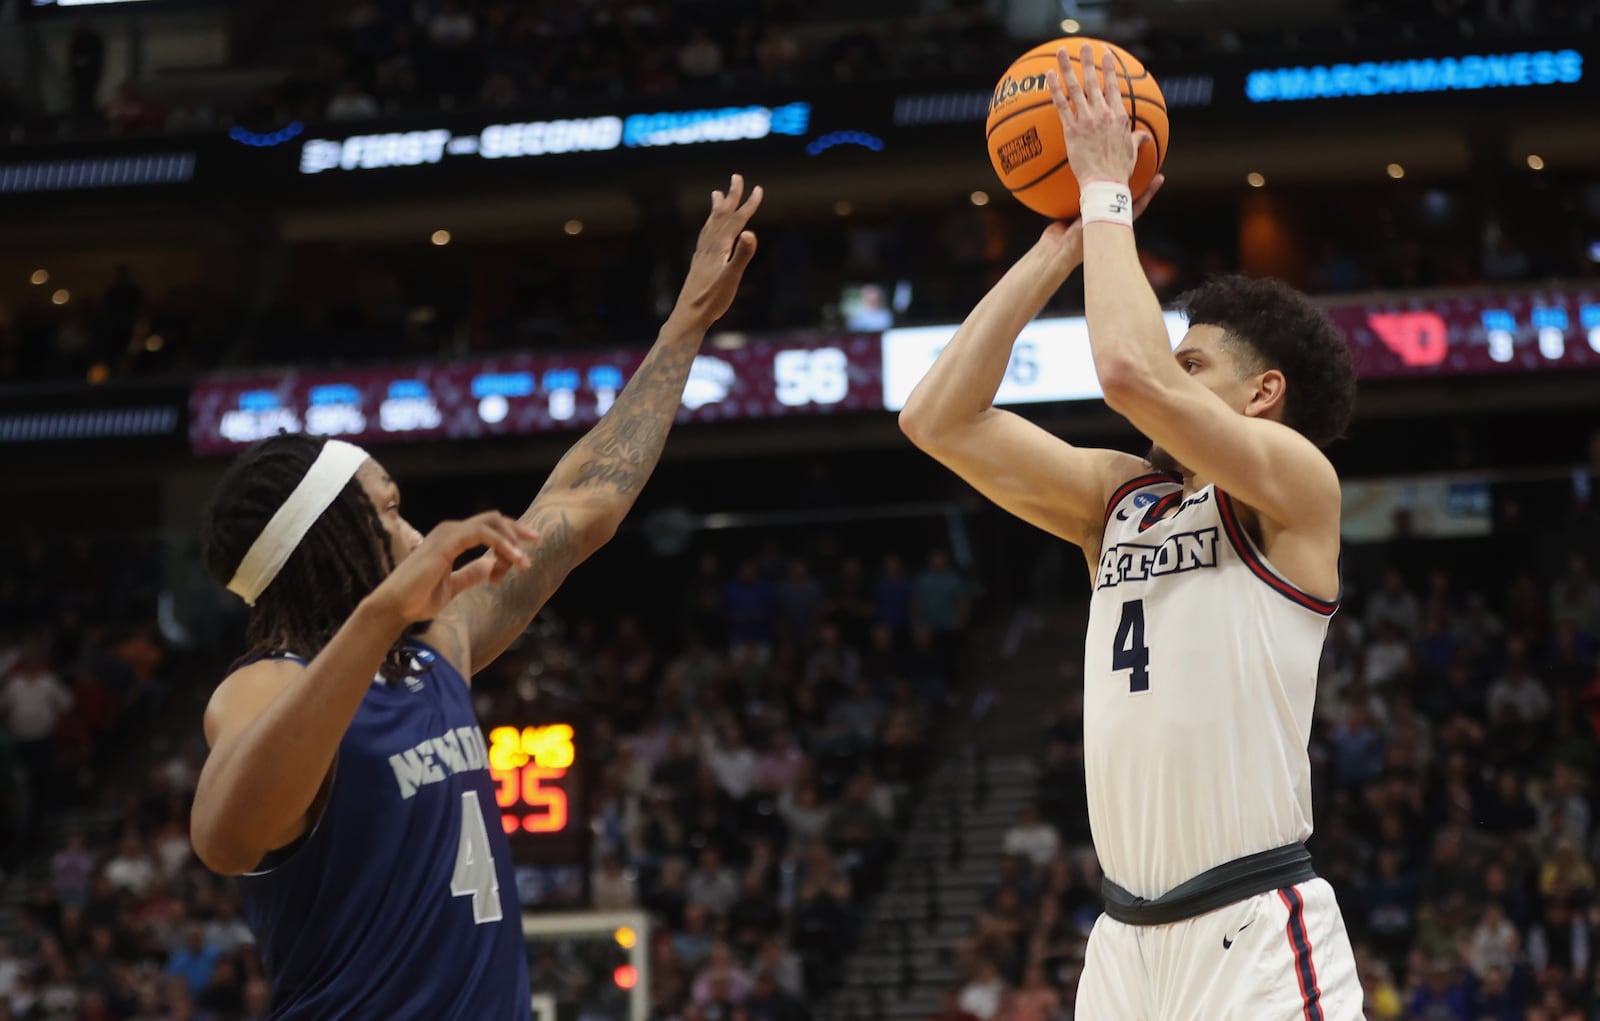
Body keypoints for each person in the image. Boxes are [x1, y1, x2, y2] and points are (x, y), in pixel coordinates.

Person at [189, 175, 763, 1019]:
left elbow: (586, 504)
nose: (414, 532)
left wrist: (687, 324)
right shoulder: (264, 684)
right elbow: (225, 837)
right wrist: (382, 609)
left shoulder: (436, 649)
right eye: (388, 510)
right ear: (332, 545)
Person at [898, 45, 1361, 1020]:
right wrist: (1053, 247)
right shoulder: (1121, 501)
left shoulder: (1292, 489)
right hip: (1122, 948)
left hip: (1254, 933)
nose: (1167, 371)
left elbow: (1127, 372)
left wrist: (1107, 191)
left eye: (1192, 361)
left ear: (1261, 393)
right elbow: (934, 418)